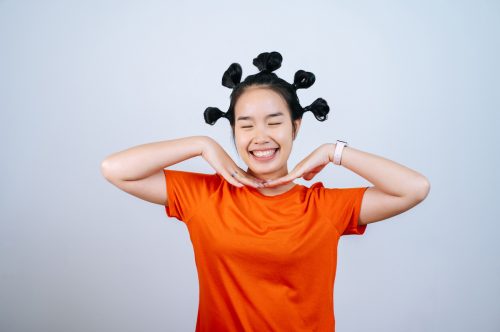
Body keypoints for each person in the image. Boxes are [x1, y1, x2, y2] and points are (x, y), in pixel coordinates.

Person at [100, 51, 431, 332]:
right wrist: (201, 144)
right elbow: (115, 169)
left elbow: (414, 189)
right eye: (245, 125)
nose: (260, 136)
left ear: (295, 127)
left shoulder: (323, 207)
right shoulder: (205, 196)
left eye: (274, 122)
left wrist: (334, 151)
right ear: (233, 131)